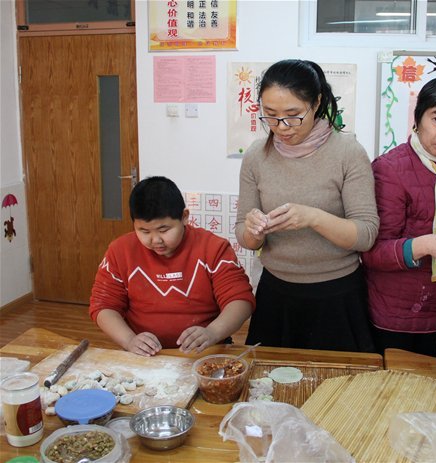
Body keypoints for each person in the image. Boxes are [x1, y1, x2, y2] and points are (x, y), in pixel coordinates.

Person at [235, 59, 379, 352]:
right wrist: (255, 230)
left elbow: (365, 234)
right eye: (270, 116)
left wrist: (313, 217)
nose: (282, 127)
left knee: (337, 391)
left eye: (293, 115)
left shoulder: (348, 152)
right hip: (276, 292)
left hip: (337, 294)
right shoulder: (255, 156)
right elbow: (245, 237)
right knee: (270, 388)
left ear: (316, 103)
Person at [361, 77, 436, 357]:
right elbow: (372, 252)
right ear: (417, 121)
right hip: (393, 313)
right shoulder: (389, 170)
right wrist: (428, 245)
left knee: (425, 391)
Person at [89, 176, 255, 356]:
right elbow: (103, 305)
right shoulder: (120, 251)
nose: (155, 240)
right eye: (144, 231)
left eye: (164, 230)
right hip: (144, 355)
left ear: (184, 217)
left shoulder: (213, 248)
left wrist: (212, 332)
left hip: (205, 351)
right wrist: (129, 340)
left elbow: (240, 301)